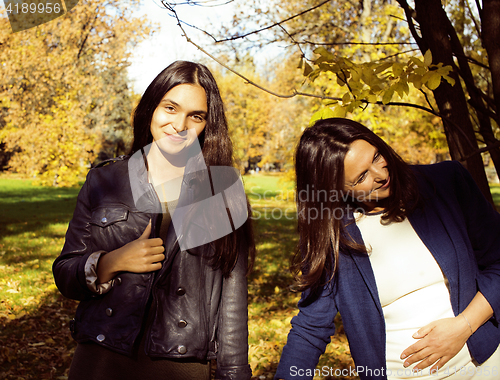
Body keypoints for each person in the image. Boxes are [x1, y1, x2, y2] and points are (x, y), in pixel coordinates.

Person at [53, 60, 255, 380]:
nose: (180, 124)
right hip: (101, 358)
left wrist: (235, 374)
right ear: (151, 108)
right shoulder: (104, 181)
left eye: (196, 116)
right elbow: (65, 273)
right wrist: (110, 262)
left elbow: (232, 299)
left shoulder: (223, 191)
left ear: (207, 124)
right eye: (170, 108)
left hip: (179, 367)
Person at [275, 118, 500, 380]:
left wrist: (464, 326)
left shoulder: (446, 183)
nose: (381, 174)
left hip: (488, 366)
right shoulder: (332, 236)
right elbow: (310, 328)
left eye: (377, 156)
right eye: (361, 177)